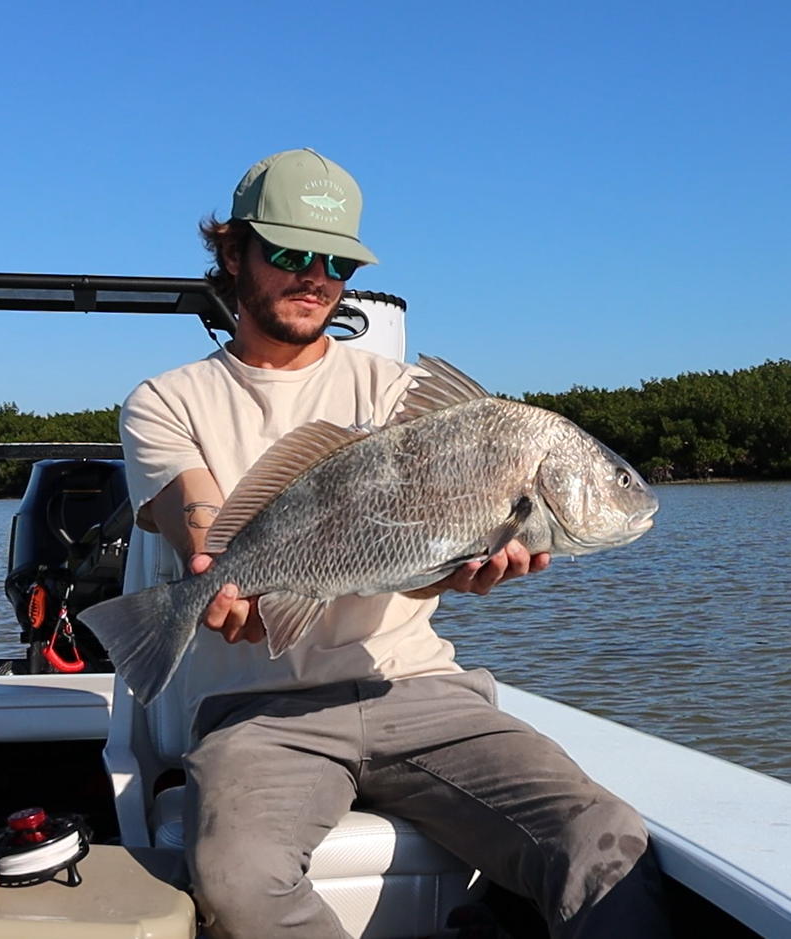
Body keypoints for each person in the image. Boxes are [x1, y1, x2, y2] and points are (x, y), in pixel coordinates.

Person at [118, 149, 672, 939]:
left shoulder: (397, 392)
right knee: (237, 882)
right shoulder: (165, 400)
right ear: (232, 252)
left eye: (337, 260)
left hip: (417, 691)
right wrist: (226, 577)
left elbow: (408, 561)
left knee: (603, 840)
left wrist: (456, 574)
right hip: (262, 713)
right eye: (289, 252)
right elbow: (200, 521)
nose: (316, 274)